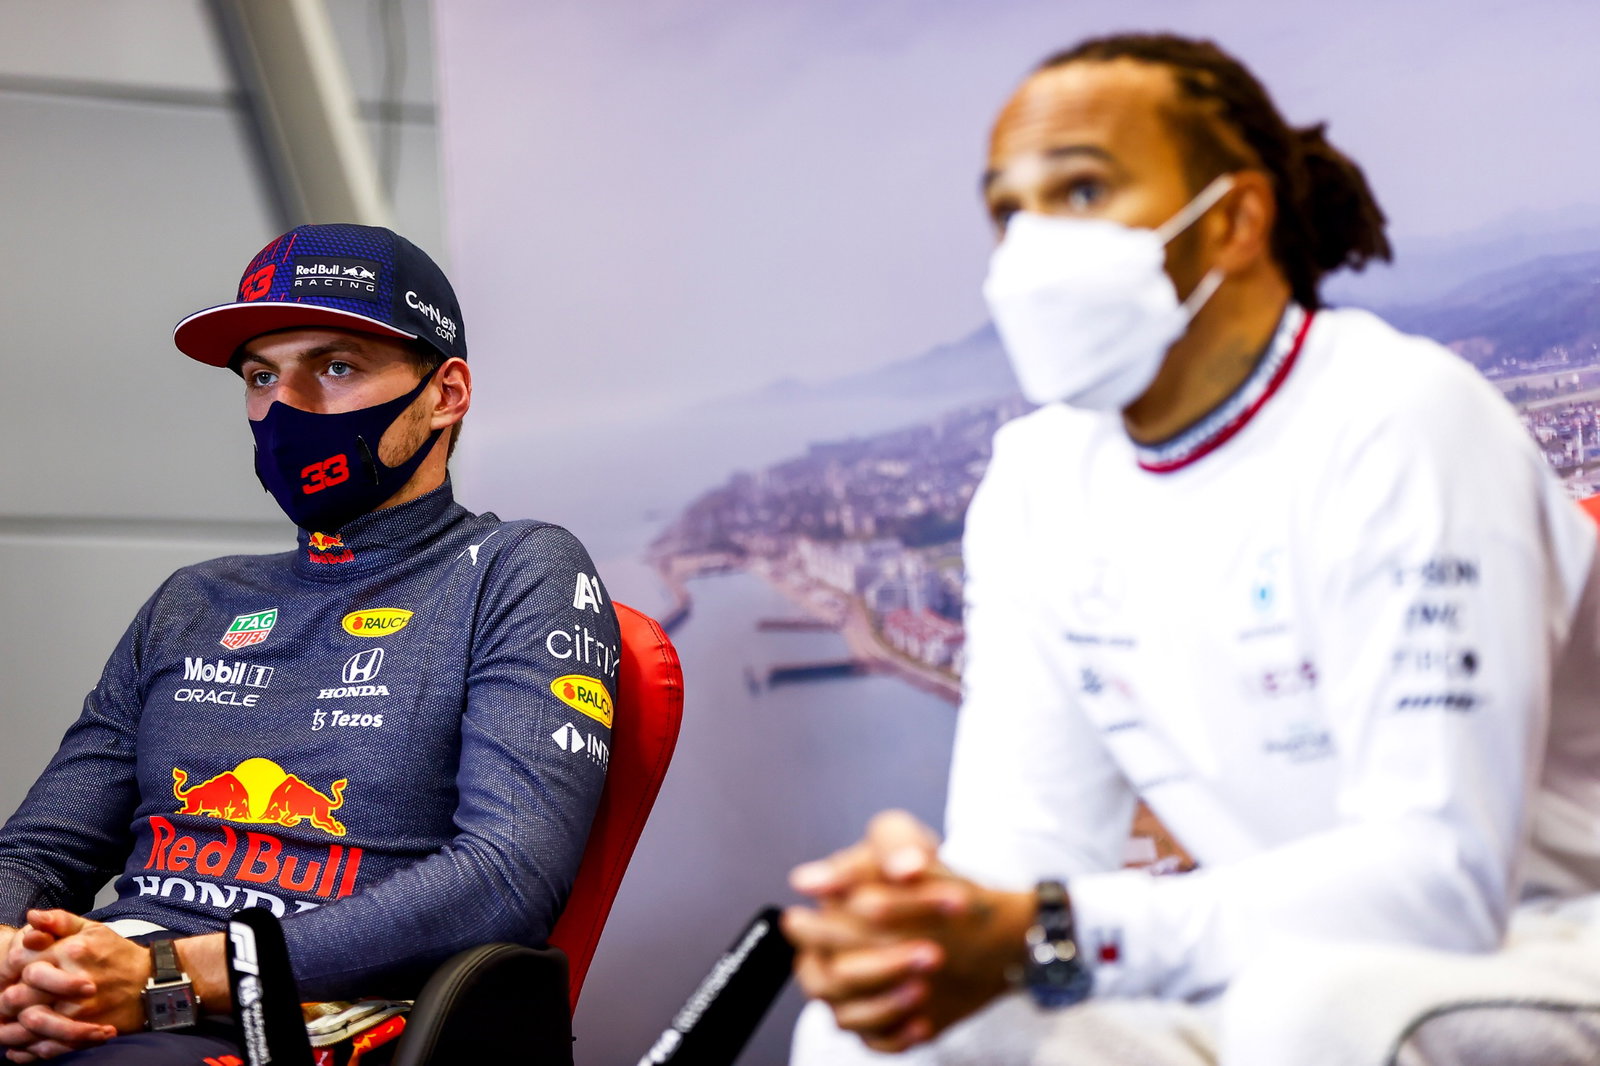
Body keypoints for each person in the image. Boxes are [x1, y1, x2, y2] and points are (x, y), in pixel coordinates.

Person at [785, 33, 1600, 1066]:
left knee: (1308, 1011)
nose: (1031, 246)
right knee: (882, 1037)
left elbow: (1440, 884)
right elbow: (1024, 860)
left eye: (1079, 192)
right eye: (1007, 210)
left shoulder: (1403, 417)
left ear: (1232, 220)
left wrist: (1053, 933)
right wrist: (936, 920)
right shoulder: (1036, 486)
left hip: (1547, 952)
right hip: (1272, 971)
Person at [0, 224, 619, 1062]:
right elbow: (43, 849)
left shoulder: (515, 569)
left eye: (335, 367)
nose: (286, 407)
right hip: (100, 993)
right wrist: (17, 959)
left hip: (299, 1018)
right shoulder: (192, 600)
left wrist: (165, 978)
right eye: (261, 375)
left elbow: (506, 878)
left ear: (446, 393)